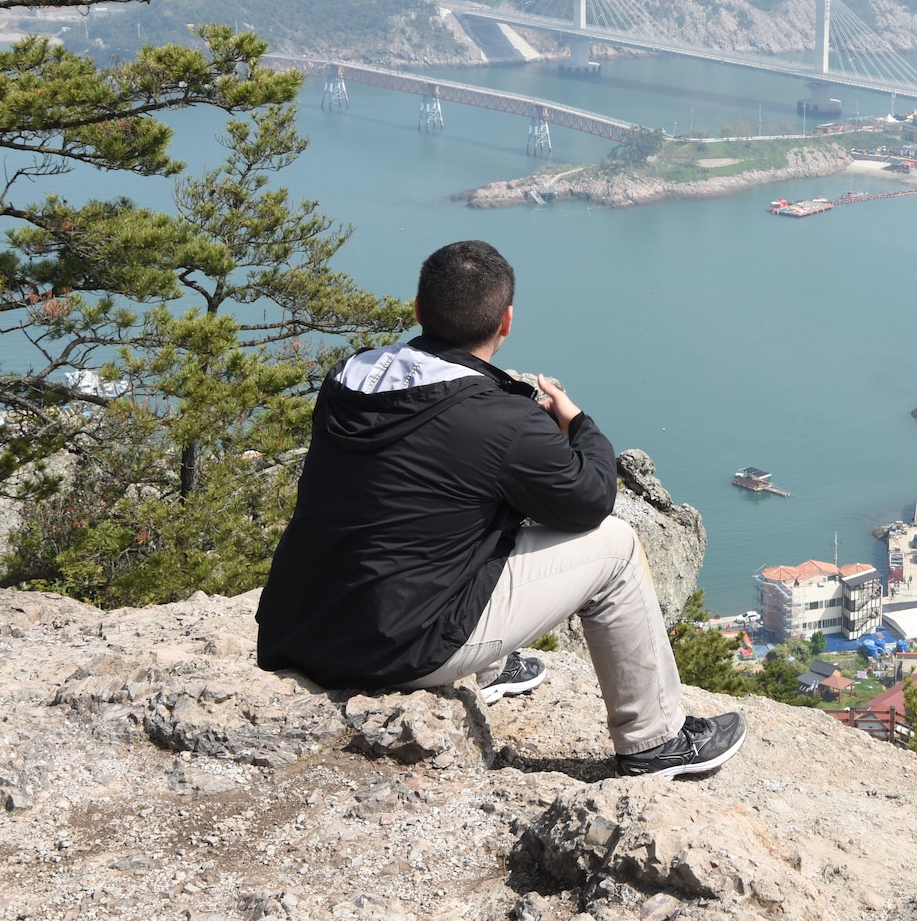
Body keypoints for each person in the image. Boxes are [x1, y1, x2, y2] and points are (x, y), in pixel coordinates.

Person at [257, 239, 743, 777]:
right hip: (394, 649)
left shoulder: (348, 377)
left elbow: (416, 484)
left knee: (440, 516)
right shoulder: (504, 420)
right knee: (617, 546)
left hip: (302, 628)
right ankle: (655, 743)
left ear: (417, 310)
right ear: (506, 321)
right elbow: (587, 502)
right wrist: (577, 424)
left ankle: (487, 668)